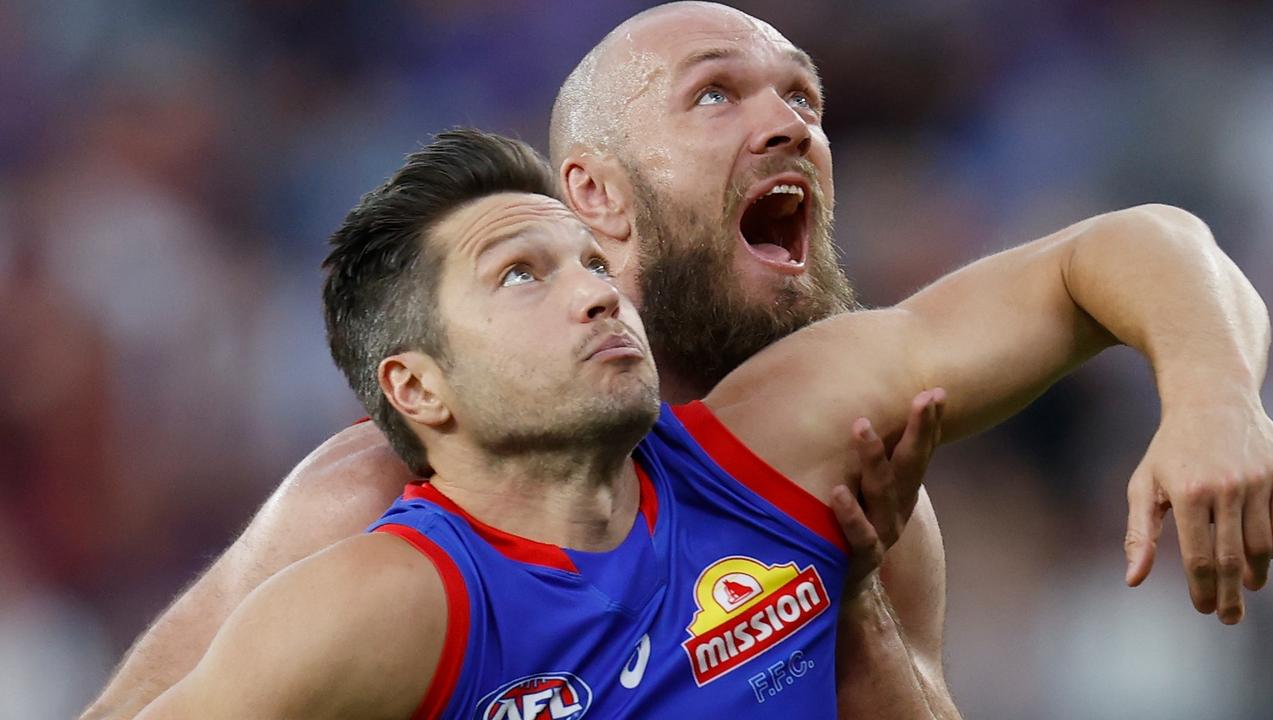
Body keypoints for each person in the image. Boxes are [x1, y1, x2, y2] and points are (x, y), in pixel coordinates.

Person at [84, 3, 1273, 719]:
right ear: (591, 196)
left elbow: (1128, 247)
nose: (790, 124)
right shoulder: (372, 520)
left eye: (802, 98)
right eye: (716, 95)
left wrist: (1217, 393)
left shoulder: (832, 450)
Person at [136, 126, 946, 719]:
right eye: (520, 275)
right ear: (417, 387)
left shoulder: (795, 486)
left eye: (594, 263)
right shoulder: (378, 594)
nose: (600, 293)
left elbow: (1037, 293)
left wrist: (857, 604)